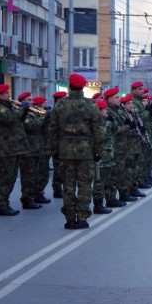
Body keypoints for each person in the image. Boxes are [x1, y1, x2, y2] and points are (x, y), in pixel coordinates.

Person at [48, 74, 104, 229]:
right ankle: (83, 218)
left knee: (68, 185)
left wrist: (55, 150)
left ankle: (70, 218)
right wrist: (98, 151)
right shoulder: (90, 105)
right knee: (85, 184)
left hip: (65, 150)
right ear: (83, 87)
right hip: (85, 150)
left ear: (69, 87)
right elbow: (98, 131)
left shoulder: (59, 105)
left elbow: (52, 130)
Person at [0, 84, 29, 216]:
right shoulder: (0, 108)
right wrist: (21, 109)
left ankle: (4, 202)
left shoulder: (7, 106)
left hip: (13, 148)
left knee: (10, 177)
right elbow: (10, 119)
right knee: (6, 178)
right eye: (6, 93)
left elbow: (18, 121)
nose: (9, 95)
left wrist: (24, 111)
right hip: (5, 149)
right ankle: (1, 204)